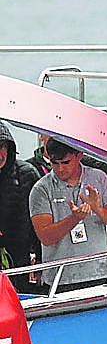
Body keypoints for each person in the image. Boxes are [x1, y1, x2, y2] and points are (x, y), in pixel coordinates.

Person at [28, 138, 107, 291]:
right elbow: (46, 237)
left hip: (98, 273)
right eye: (55, 163)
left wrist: (98, 209)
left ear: (80, 155)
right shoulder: (40, 189)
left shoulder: (99, 178)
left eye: (66, 162)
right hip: (59, 280)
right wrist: (75, 218)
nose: (60, 169)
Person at [0, 125, 40, 293]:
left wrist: (40, 261)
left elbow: (41, 221)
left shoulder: (27, 174)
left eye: (1, 146)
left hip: (19, 259)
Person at [27, 134, 107, 187]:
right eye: (51, 134)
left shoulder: (82, 161)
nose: (56, 140)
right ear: (41, 136)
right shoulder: (28, 169)